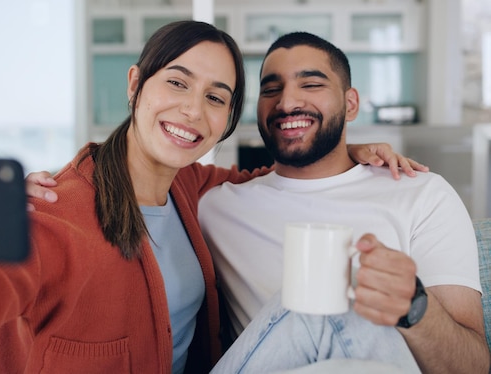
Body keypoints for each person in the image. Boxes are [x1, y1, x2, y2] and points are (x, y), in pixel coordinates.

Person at [0, 21, 423, 374]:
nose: (191, 111)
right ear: (136, 84)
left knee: (339, 316)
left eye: (215, 97)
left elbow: (269, 176)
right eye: (176, 83)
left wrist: (351, 151)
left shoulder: (193, 187)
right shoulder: (55, 214)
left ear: (228, 119)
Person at [196, 32, 489, 373]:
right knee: (324, 302)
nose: (287, 103)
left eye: (311, 85)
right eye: (271, 89)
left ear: (350, 104)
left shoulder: (422, 194)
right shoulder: (215, 206)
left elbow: (474, 367)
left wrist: (415, 309)